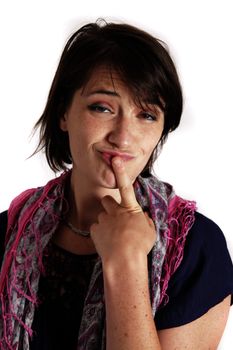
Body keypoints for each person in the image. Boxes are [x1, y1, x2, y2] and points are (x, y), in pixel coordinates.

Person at [0, 19, 233, 350]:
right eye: (102, 107)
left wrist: (126, 262)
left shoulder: (196, 248)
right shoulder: (7, 235)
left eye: (147, 115)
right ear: (63, 113)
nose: (123, 136)